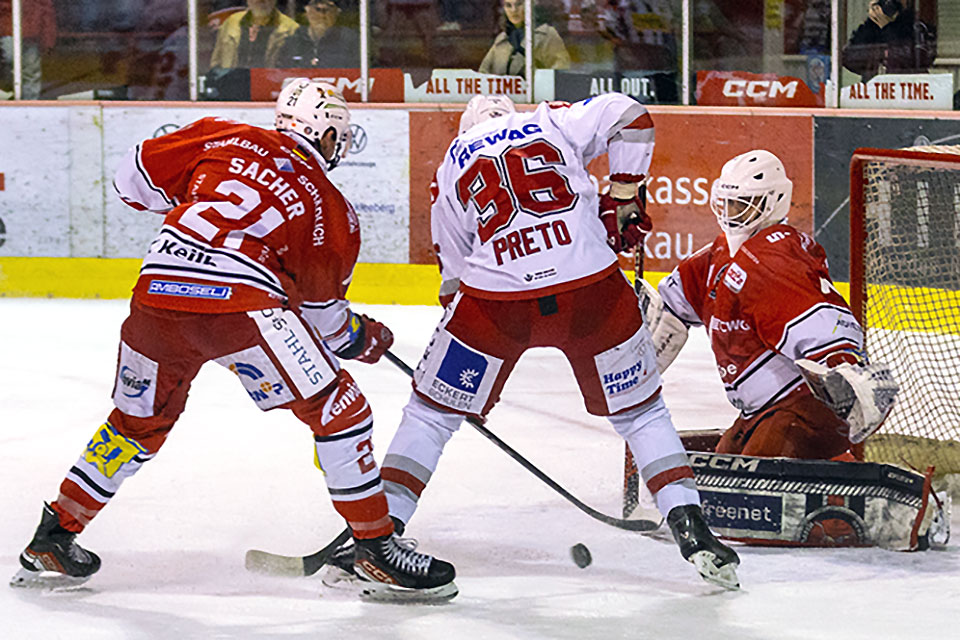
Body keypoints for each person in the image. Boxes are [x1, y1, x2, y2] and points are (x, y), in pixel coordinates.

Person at [11, 79, 457, 603]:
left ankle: (55, 536)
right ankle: (375, 548)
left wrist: (200, 201)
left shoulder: (220, 136)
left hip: (157, 293)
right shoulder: (330, 205)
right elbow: (325, 322)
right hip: (238, 303)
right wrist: (364, 337)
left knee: (136, 425)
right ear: (329, 134)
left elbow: (129, 181)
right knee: (342, 411)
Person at [328, 93, 741, 590]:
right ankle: (691, 526)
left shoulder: (454, 160)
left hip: (496, 302)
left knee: (431, 415)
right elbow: (630, 115)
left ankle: (380, 538)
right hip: (592, 289)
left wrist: (457, 374)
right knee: (642, 413)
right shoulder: (551, 121)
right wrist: (626, 194)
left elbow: (453, 282)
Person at [642, 149, 899, 460]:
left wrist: (844, 367)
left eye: (743, 203)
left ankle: (845, 488)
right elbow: (672, 307)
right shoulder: (723, 251)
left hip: (803, 408)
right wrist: (634, 361)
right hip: (762, 411)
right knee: (721, 467)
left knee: (744, 485)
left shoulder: (776, 258)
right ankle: (842, 472)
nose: (732, 211)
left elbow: (819, 320)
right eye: (728, 202)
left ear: (772, 202)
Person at [842, 0, 936, 82]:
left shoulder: (915, 27)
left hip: (908, 88)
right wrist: (871, 24)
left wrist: (887, 27)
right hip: (876, 90)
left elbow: (916, 60)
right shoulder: (869, 29)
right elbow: (849, 59)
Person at [479, 0, 571, 77]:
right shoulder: (501, 39)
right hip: (502, 96)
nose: (514, 10)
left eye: (519, 4)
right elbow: (483, 74)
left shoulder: (547, 35)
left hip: (537, 96)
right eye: (508, 6)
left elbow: (560, 73)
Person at [210, 0, 299, 69]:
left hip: (270, 88)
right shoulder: (231, 22)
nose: (261, 1)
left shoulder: (291, 28)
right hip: (233, 87)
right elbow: (216, 62)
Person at [277, 0, 360, 68]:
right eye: (317, 8)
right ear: (306, 11)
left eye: (328, 8)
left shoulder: (351, 41)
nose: (321, 15)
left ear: (337, 12)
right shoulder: (292, 40)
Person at [0, 0, 56, 99]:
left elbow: (46, 9)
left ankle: (30, 104)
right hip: (8, 28)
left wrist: (48, 36)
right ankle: (13, 91)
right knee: (9, 59)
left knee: (31, 70)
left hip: (31, 30)